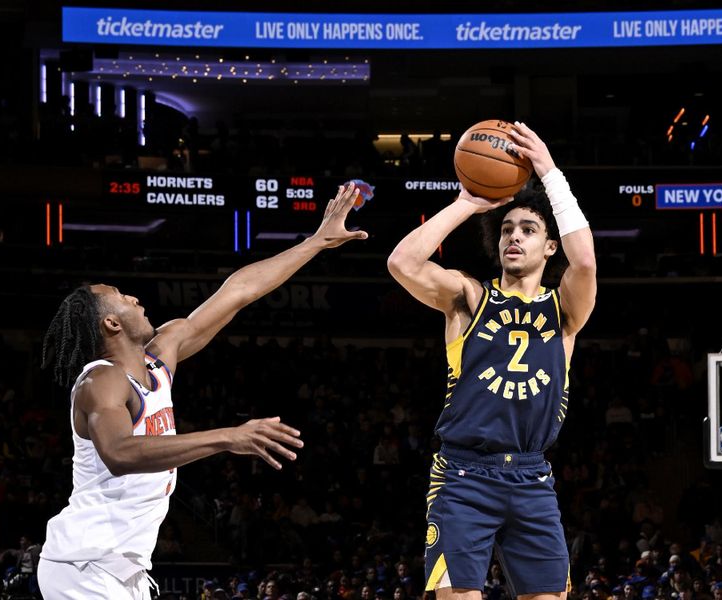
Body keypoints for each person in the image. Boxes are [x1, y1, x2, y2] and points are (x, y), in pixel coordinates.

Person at [36, 183, 368, 599]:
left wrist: (316, 242)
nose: (135, 297)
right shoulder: (100, 379)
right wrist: (228, 437)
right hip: (83, 565)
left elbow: (239, 291)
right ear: (111, 325)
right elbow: (120, 453)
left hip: (123, 568)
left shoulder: (160, 357)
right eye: (121, 297)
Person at [387, 122, 596, 600]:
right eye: (506, 229)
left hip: (532, 475)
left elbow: (584, 262)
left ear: (550, 246)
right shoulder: (468, 297)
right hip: (463, 475)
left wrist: (547, 171)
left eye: (528, 229)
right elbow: (402, 265)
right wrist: (468, 202)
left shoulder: (563, 310)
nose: (514, 237)